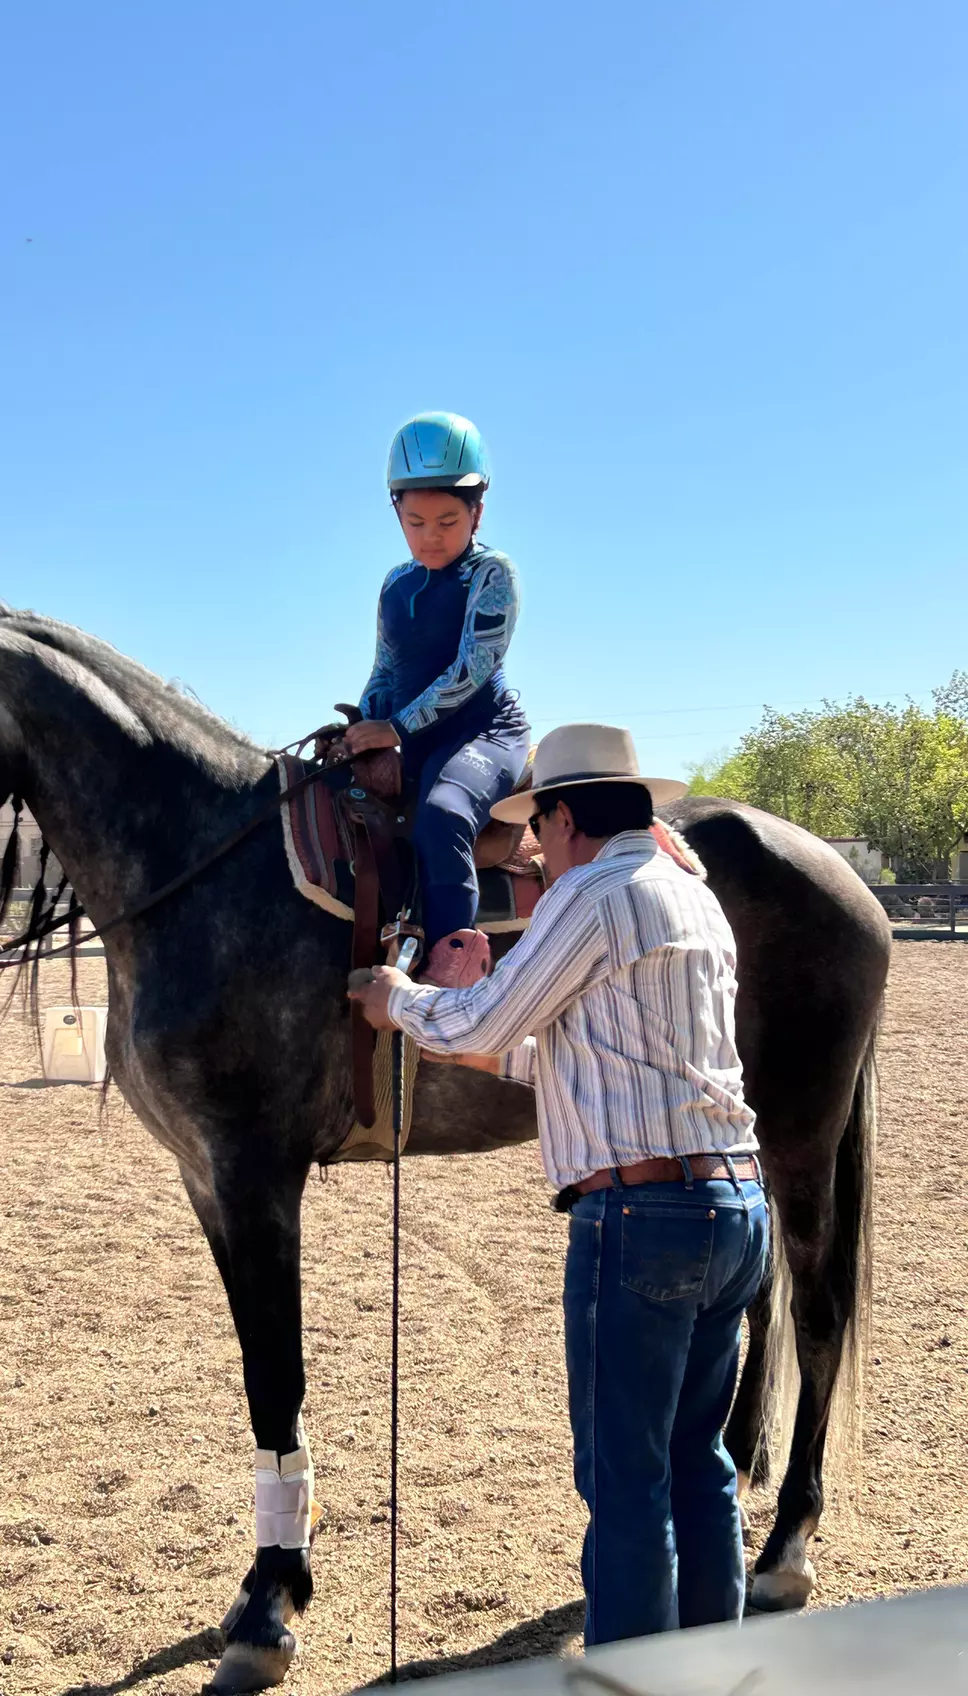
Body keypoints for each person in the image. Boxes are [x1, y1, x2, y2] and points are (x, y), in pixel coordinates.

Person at [351, 723, 768, 1646]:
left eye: (537, 827)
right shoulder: (693, 899)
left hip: (640, 1216)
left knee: (625, 1480)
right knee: (700, 1462)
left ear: (568, 814)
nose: (534, 847)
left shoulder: (592, 893)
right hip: (734, 1203)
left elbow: (480, 1020)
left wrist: (399, 1000)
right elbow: (598, 1058)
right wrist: (480, 1022)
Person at [338, 411, 530, 985]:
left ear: (478, 509)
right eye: (415, 521)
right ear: (396, 513)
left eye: (448, 519)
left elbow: (472, 670)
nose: (431, 536)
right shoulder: (396, 585)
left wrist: (394, 730)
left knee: (442, 816)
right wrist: (363, 721)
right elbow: (385, 669)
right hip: (411, 736)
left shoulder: (492, 573)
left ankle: (455, 974)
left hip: (484, 732)